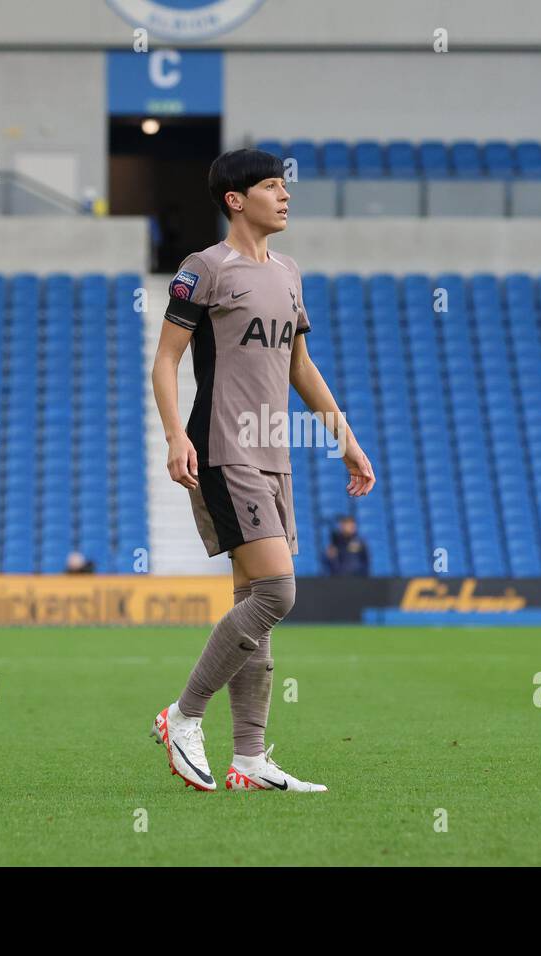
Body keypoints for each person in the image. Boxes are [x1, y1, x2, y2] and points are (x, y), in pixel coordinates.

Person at [149, 147, 376, 792]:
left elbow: (300, 365)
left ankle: (248, 759)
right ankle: (183, 714)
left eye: (286, 186)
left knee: (255, 599)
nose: (285, 196)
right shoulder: (203, 270)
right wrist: (174, 436)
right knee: (278, 591)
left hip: (275, 451)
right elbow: (166, 359)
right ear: (235, 199)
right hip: (222, 447)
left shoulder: (289, 272)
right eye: (273, 187)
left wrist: (345, 439)